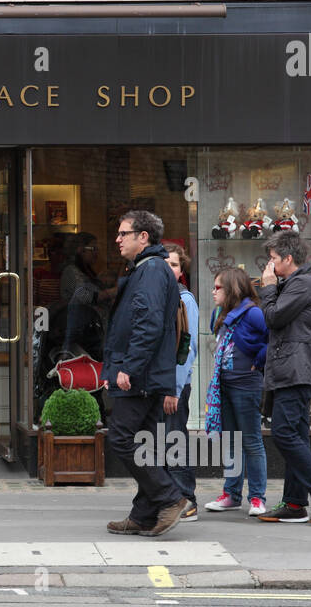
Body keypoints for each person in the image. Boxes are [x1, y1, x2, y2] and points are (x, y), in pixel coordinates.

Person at [102, 210, 188, 538]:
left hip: (142, 376)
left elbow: (148, 325)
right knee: (144, 442)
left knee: (122, 438)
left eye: (124, 233)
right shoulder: (146, 269)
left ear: (143, 237)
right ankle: (143, 514)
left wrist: (128, 368)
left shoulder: (151, 270)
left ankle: (169, 498)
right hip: (150, 373)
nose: (117, 239)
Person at [256, 231, 311, 524]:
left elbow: (273, 318)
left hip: (298, 371)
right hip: (294, 369)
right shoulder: (294, 284)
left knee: (283, 433)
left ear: (288, 259)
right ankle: (295, 503)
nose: (269, 265)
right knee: (297, 436)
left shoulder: (302, 284)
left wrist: (269, 287)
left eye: (272, 259)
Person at [202, 267, 270, 517]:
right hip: (225, 384)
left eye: (218, 287)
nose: (213, 291)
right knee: (231, 441)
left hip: (246, 385)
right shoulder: (222, 313)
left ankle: (257, 498)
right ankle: (231, 494)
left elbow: (272, 338)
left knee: (251, 441)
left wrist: (259, 361)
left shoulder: (253, 313)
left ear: (233, 289)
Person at [163, 242, 200, 522]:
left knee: (175, 440)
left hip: (175, 386)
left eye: (174, 264)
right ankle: (169, 499)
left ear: (181, 270)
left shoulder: (184, 300)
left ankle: (187, 499)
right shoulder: (161, 297)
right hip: (159, 385)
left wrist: (174, 389)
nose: (169, 268)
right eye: (165, 263)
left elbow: (186, 348)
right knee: (163, 441)